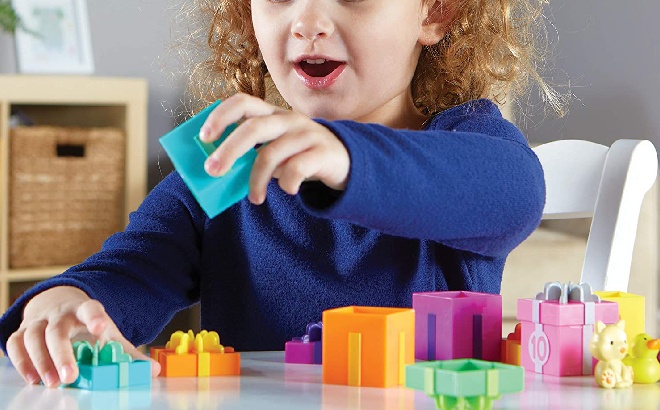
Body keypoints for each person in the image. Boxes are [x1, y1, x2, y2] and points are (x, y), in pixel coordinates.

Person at [0, 0, 561, 388]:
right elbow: (131, 270)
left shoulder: (466, 145)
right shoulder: (227, 165)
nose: (308, 21)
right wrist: (67, 302)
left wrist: (345, 156)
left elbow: (514, 189)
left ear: (434, 11)